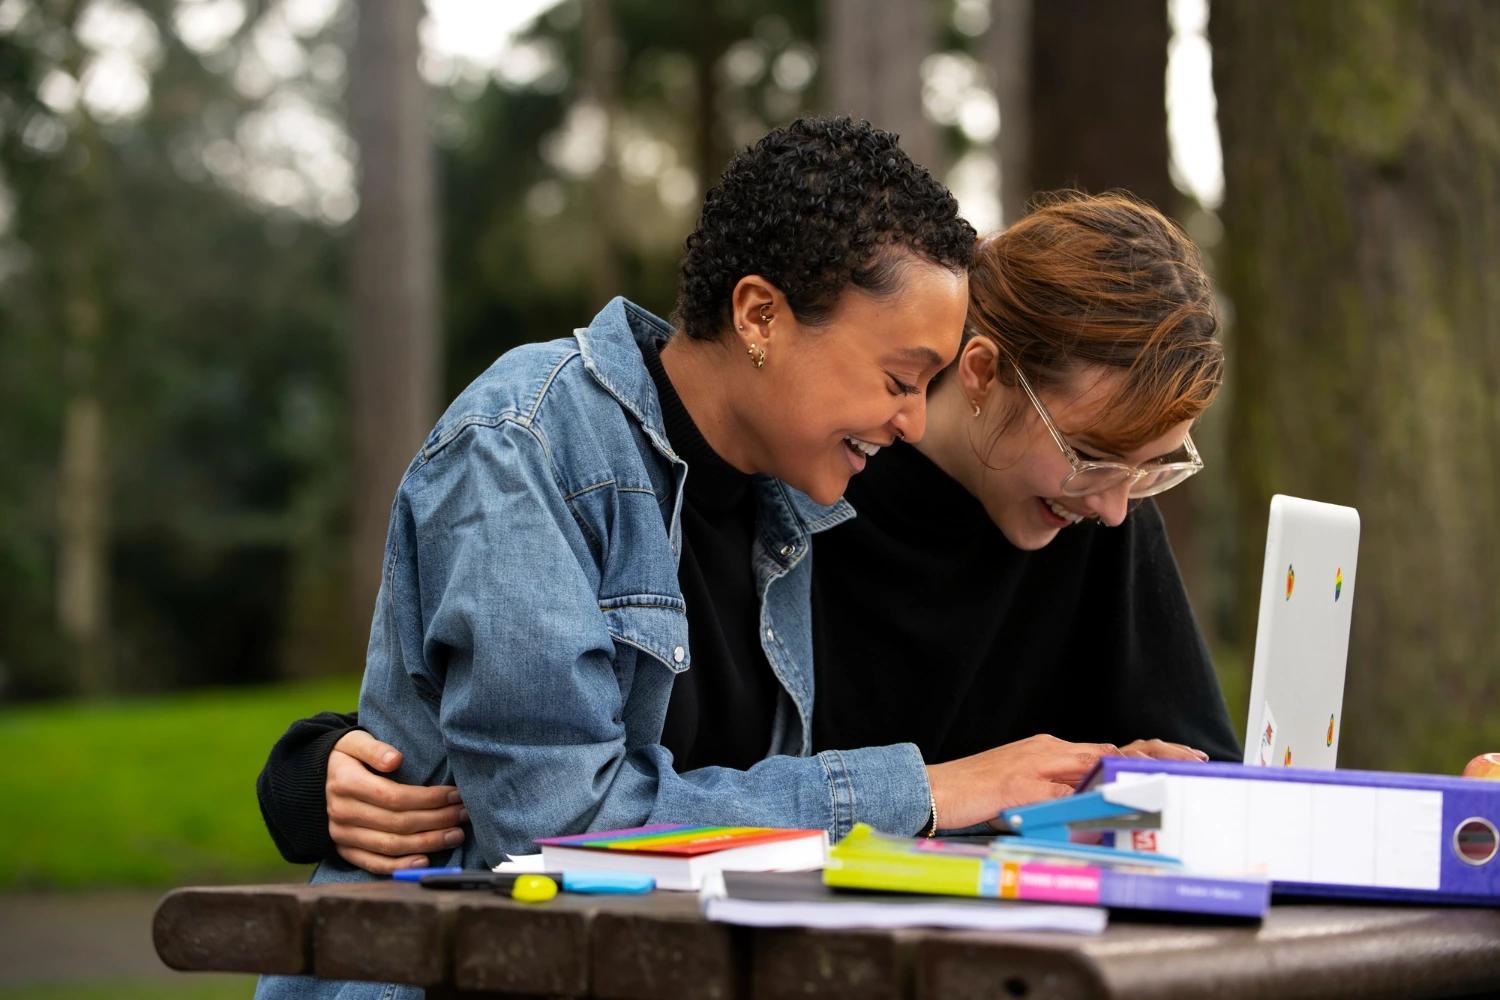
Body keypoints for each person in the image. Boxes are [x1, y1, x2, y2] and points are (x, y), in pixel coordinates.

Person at [258, 118, 1152, 999]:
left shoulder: (793, 494)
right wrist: (919, 787)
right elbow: (558, 827)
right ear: (760, 315)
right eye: (899, 379)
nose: (914, 422)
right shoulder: (524, 446)